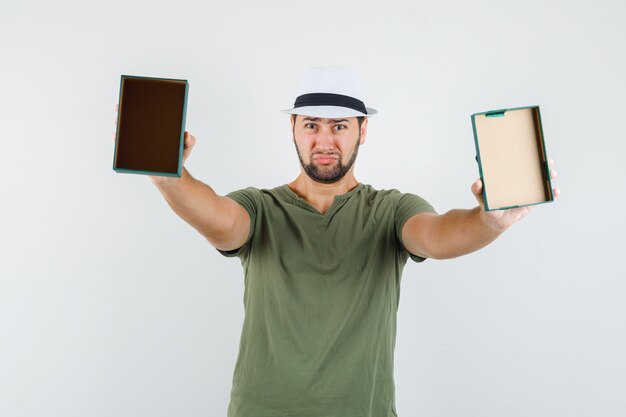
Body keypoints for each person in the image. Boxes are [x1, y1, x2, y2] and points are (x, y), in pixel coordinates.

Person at [114, 67, 559, 417]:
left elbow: (438, 234)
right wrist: (167, 173)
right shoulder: (261, 207)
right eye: (311, 125)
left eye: (339, 127)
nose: (324, 141)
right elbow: (217, 219)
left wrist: (491, 221)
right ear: (293, 128)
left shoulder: (391, 209)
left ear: (362, 131)